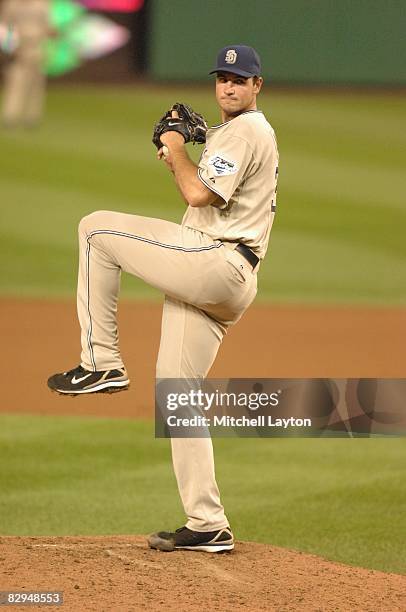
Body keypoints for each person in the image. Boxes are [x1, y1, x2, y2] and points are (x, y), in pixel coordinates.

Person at [47, 45, 279, 553]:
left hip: (215, 261)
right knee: (179, 394)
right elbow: (207, 182)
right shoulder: (236, 133)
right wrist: (189, 148)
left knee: (94, 231)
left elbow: (200, 195)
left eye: (240, 80)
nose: (229, 87)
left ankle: (101, 361)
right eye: (222, 77)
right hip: (227, 277)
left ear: (257, 86)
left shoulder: (246, 130)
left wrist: (175, 147)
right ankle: (208, 524)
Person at [1, 0, 51, 127]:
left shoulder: (42, 4)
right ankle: (10, 115)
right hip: (19, 46)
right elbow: (5, 26)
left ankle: (32, 117)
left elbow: (47, 25)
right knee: (16, 80)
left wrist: (49, 34)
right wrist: (10, 47)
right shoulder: (11, 4)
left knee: (35, 83)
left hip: (38, 45)